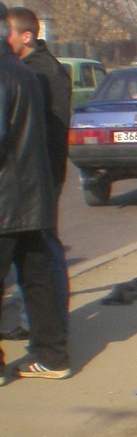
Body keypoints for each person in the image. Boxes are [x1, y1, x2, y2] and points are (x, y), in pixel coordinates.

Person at [0, 29, 71, 379]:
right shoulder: (25, 72)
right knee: (37, 280)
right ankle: (52, 356)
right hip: (31, 197)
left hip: (4, 201)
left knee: (36, 279)